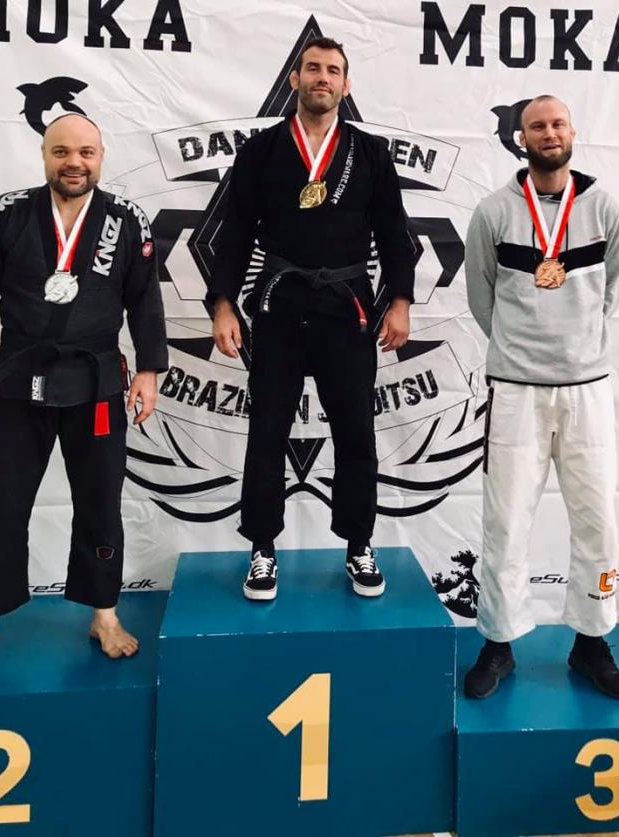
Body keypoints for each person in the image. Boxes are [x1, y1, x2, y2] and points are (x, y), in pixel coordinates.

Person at [0, 114, 168, 675]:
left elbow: (144, 299)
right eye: (62, 151)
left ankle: (104, 613)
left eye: (86, 152)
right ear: (44, 154)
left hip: (96, 383)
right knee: (3, 503)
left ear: (101, 156)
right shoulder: (8, 213)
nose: (74, 162)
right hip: (19, 379)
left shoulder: (126, 219)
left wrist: (148, 370)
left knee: (100, 504)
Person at [207, 37, 414, 601]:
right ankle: (262, 548)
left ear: (346, 86)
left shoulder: (370, 152)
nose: (323, 77)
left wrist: (399, 300)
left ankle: (358, 543)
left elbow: (395, 235)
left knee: (355, 430)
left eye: (334, 71)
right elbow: (234, 233)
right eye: (314, 68)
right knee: (267, 428)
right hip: (278, 304)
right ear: (294, 79)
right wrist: (223, 304)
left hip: (346, 306)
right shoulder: (262, 150)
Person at [464, 95, 619, 699]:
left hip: (587, 389)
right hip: (516, 390)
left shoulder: (605, 208)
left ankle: (591, 642)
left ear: (573, 132)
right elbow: (481, 296)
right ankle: (499, 642)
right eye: (537, 126)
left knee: (597, 519)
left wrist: (575, 346)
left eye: (558, 123)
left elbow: (612, 290)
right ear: (522, 138)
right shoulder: (494, 212)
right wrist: (521, 350)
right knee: (506, 520)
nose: (549, 133)